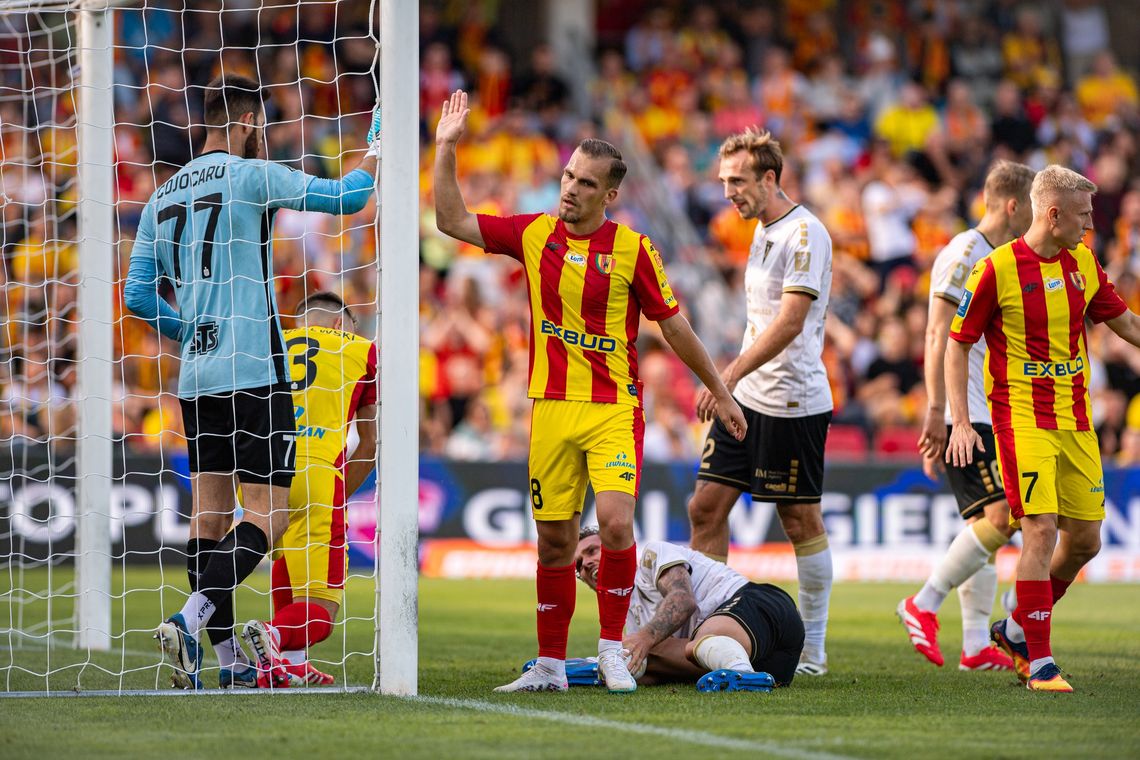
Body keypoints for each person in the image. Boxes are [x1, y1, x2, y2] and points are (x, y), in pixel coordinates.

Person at [433, 89, 747, 694]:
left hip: (613, 409)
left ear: (610, 194)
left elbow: (675, 326)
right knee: (554, 542)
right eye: (568, 175)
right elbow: (451, 220)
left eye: (585, 182)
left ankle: (610, 651)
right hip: (550, 408)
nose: (570, 188)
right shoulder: (533, 234)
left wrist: (720, 391)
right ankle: (549, 666)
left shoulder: (633, 249)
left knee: (614, 525)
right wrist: (447, 148)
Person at [125, 74, 379, 689]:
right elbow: (349, 198)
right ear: (244, 123)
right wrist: (377, 145)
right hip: (254, 370)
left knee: (207, 519)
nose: (263, 136)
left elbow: (135, 294)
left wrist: (188, 330)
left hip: (196, 377)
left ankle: (230, 665)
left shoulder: (161, 197)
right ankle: (189, 618)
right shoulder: (250, 175)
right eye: (261, 126)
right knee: (271, 512)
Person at [946, 164, 1140, 693]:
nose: (1091, 223)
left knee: (1086, 542)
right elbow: (957, 341)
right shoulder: (995, 269)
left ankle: (1012, 630)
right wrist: (959, 421)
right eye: (1083, 215)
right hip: (1021, 419)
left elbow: (1123, 322)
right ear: (1052, 215)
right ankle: (1040, 659)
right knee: (1039, 529)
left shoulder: (1083, 262)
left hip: (1076, 422)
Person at [688, 128, 834, 676]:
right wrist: (733, 387)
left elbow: (791, 321)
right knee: (705, 507)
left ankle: (813, 651)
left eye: (737, 181)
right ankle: (702, 626)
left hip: (790, 402)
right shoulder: (761, 229)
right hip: (745, 398)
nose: (728, 192)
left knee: (799, 521)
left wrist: (725, 375)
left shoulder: (804, 233)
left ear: (769, 179)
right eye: (724, 181)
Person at [900, 160, 1035, 672]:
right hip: (966, 412)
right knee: (1001, 517)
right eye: (1031, 208)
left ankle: (977, 643)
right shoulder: (966, 253)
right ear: (1012, 205)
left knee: (986, 524)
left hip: (988, 410)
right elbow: (937, 334)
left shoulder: (999, 257)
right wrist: (938, 412)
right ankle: (922, 603)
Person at [222, 292, 377, 688]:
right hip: (316, 471)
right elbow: (370, 444)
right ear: (341, 325)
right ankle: (273, 637)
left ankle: (290, 664)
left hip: (260, 473)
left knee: (286, 557)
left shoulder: (271, 344)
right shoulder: (363, 350)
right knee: (322, 609)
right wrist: (341, 493)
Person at [573, 527, 804, 690]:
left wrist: (643, 639)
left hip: (761, 604)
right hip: (771, 664)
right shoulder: (630, 615)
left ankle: (742, 673)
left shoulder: (650, 557)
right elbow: (658, 667)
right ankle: (590, 669)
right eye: (579, 565)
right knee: (646, 654)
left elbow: (683, 600)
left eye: (592, 551)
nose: (587, 564)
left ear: (616, 548)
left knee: (686, 643)